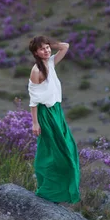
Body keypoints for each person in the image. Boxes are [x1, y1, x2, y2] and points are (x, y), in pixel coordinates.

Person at [27, 36, 80, 204]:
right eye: (42, 49)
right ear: (35, 53)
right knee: (51, 151)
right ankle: (47, 190)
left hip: (56, 111)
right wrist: (35, 123)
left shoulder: (50, 62)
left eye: (47, 47)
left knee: (67, 148)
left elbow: (65, 46)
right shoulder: (37, 71)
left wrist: (50, 44)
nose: (47, 50)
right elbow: (33, 101)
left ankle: (58, 191)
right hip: (46, 114)